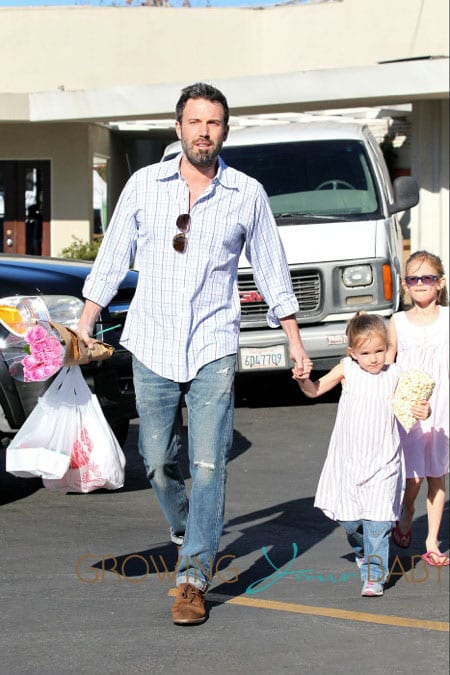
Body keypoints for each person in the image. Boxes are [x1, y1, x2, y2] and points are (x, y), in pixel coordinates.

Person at [76, 82, 311, 625]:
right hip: (153, 342)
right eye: (195, 122)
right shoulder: (142, 186)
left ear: (224, 131)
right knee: (157, 462)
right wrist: (84, 325)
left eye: (214, 123)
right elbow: (111, 259)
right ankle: (188, 531)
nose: (204, 132)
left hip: (212, 344)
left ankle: (193, 577)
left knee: (207, 464)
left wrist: (294, 340)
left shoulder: (246, 193)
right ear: (177, 127)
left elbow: (273, 271)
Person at [293, 312, 430, 597]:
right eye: (366, 352)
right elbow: (315, 390)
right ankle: (362, 552)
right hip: (350, 462)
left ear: (388, 348)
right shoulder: (347, 369)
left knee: (378, 523)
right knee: (352, 522)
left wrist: (423, 410)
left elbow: (415, 405)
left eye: (380, 350)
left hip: (384, 461)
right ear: (352, 352)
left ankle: (374, 576)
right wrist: (303, 380)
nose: (374, 358)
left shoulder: (395, 374)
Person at [387, 250, 449, 567]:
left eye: (427, 278)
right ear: (405, 285)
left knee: (437, 474)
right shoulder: (398, 322)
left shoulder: (449, 319)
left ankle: (432, 541)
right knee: (413, 477)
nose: (421, 283)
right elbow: (385, 364)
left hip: (442, 408)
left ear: (439, 283)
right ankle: (407, 509)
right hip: (408, 409)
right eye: (414, 279)